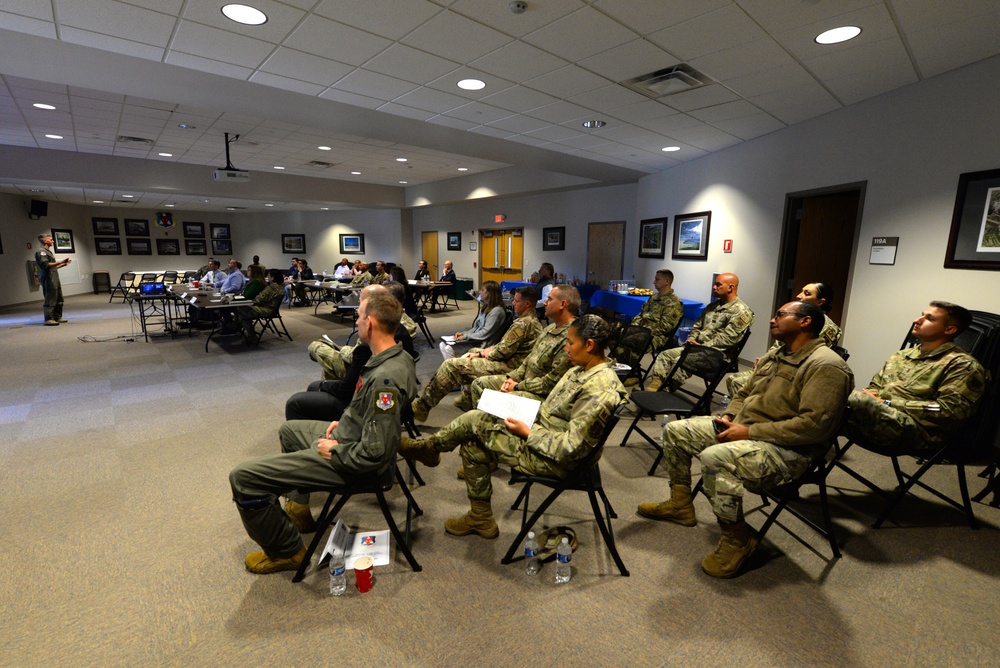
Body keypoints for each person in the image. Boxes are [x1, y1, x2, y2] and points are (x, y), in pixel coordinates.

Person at [636, 302, 853, 578]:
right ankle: (680, 505)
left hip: (791, 450)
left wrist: (749, 432)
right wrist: (729, 416)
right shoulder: (778, 354)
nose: (772, 320)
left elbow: (814, 427)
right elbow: (743, 392)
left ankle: (738, 538)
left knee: (716, 458)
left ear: (805, 322)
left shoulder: (826, 365)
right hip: (748, 429)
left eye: (781, 315)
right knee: (676, 431)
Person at [229, 291, 418, 574]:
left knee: (244, 478)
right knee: (290, 431)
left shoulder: (384, 379)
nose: (356, 320)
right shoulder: (397, 355)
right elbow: (366, 412)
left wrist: (335, 449)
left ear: (371, 324)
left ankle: (286, 552)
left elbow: (374, 453)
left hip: (356, 463)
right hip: (353, 440)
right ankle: (299, 512)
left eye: (359, 315)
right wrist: (343, 422)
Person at [399, 314, 627, 539]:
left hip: (557, 460)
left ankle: (429, 449)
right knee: (478, 430)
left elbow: (572, 448)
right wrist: (522, 411)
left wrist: (528, 431)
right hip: (544, 431)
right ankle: (480, 516)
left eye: (570, 343)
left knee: (473, 423)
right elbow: (554, 409)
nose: (566, 348)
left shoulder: (599, 390)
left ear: (589, 345)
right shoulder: (581, 369)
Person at [844, 301, 986, 453]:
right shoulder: (901, 355)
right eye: (922, 315)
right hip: (879, 418)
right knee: (832, 399)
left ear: (950, 329)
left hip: (920, 432)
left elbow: (949, 410)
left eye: (929, 318)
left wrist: (887, 403)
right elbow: (876, 385)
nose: (917, 320)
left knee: (841, 400)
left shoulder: (962, 365)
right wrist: (872, 394)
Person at [412, 286, 542, 420]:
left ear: (527, 304)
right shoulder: (533, 321)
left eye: (516, 301)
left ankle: (423, 406)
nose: (513, 303)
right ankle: (467, 398)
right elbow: (505, 347)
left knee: (451, 366)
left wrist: (482, 354)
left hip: (509, 366)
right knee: (473, 351)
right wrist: (483, 351)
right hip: (513, 361)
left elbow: (502, 352)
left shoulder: (522, 324)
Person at [468, 284, 580, 406]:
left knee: (495, 399)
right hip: (524, 380)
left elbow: (550, 383)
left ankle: (487, 420)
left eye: (550, 299)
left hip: (540, 393)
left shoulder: (571, 336)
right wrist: (511, 378)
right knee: (479, 384)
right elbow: (528, 359)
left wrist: (517, 386)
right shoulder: (550, 328)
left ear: (563, 304)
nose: (545, 303)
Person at [727, 281, 842, 396]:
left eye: (807, 293)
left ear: (820, 302)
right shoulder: (796, 317)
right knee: (733, 379)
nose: (799, 295)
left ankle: (753, 412)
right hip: (776, 365)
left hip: (793, 374)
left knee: (739, 383)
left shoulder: (826, 326)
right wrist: (766, 359)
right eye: (801, 291)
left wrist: (770, 363)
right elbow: (781, 346)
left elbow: (808, 357)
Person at [646, 273, 754, 392]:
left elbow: (728, 340)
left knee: (680, 360)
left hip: (717, 354)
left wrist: (702, 347)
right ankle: (654, 387)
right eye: (714, 284)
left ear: (731, 288)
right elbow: (697, 326)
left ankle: (665, 391)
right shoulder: (712, 306)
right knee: (664, 355)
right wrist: (691, 339)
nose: (714, 287)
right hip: (696, 348)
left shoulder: (742, 312)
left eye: (718, 285)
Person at [613, 269, 684, 383]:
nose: (653, 282)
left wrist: (641, 331)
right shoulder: (653, 298)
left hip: (656, 336)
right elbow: (641, 315)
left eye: (657, 279)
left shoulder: (674, 303)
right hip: (641, 331)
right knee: (614, 334)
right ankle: (622, 368)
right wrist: (633, 327)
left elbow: (665, 327)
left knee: (633, 340)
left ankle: (634, 374)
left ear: (666, 281)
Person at [439, 281, 506, 359]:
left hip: (483, 343)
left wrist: (465, 337)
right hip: (475, 340)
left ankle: (455, 368)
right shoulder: (486, 307)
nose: (480, 292)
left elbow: (485, 333)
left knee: (448, 349)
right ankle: (455, 368)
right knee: (442, 345)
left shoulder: (497, 311)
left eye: (483, 290)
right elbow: (476, 328)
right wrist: (463, 334)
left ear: (489, 293)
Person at [236, 269, 285, 339]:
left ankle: (251, 336)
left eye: (268, 276)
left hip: (266, 310)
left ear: (272, 277)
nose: (267, 277)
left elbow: (259, 299)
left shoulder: (271, 288)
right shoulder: (280, 287)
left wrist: (251, 301)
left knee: (241, 310)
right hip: (272, 310)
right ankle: (238, 326)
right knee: (243, 312)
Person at [35, 233, 70, 326]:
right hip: (48, 277)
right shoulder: (41, 252)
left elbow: (52, 267)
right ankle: (49, 318)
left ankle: (57, 316)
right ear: (45, 240)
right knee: (50, 297)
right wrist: (60, 262)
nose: (53, 241)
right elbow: (45, 265)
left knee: (59, 297)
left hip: (54, 276)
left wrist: (63, 264)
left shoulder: (47, 251)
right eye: (51, 239)